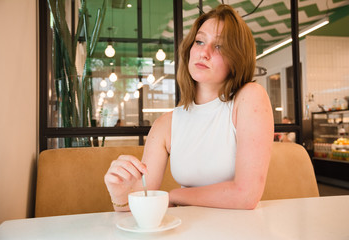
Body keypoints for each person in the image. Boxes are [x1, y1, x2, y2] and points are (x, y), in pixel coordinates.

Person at [104, 4, 274, 211]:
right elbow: (139, 201)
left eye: (220, 46)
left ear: (237, 58)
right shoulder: (166, 124)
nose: (204, 52)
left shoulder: (249, 97)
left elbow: (246, 196)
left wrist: (175, 195)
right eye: (200, 41)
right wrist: (120, 192)